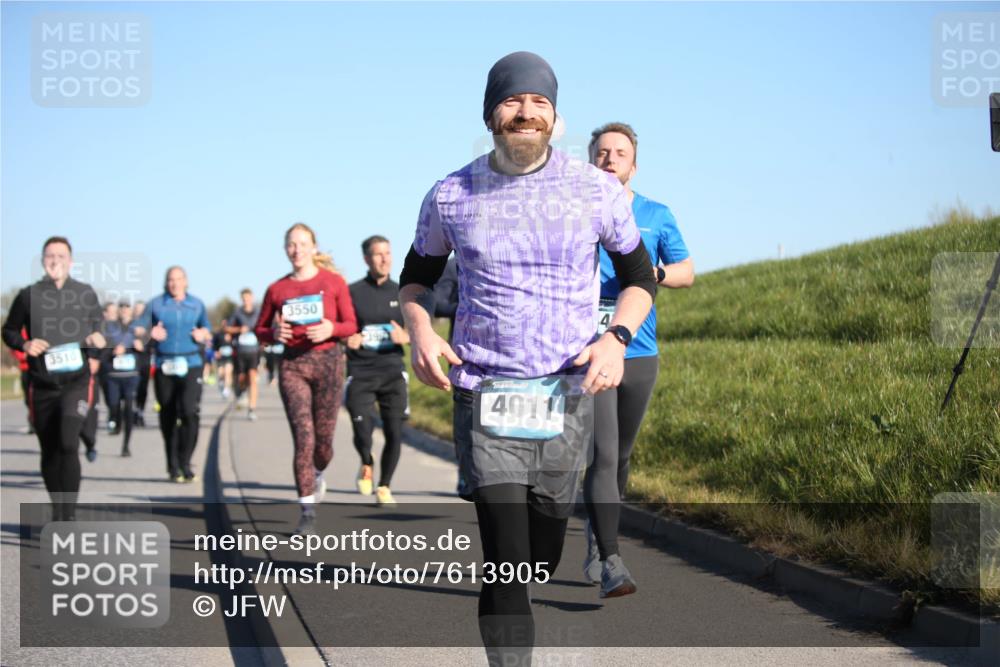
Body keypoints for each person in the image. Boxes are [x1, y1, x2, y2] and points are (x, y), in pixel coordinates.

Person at [398, 52, 655, 666]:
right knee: (507, 560)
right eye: (512, 100)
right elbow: (416, 281)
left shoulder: (595, 190)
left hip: (565, 392)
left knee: (541, 551)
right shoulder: (451, 194)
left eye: (539, 102)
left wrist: (616, 339)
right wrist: (421, 332)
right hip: (484, 388)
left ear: (555, 118)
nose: (525, 112)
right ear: (491, 114)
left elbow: (640, 279)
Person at [582, 122, 695, 596]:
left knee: (622, 455)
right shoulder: (574, 211)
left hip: (641, 351)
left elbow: (687, 271)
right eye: (602, 152)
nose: (610, 159)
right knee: (603, 453)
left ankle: (597, 534)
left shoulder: (656, 214)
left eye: (620, 153)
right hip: (591, 350)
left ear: (634, 165)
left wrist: (655, 273)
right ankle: (611, 559)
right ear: (591, 161)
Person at [255, 223, 357, 535]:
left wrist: (331, 329)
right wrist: (273, 333)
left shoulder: (333, 282)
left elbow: (350, 324)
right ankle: (307, 512)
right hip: (293, 365)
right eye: (291, 244)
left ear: (314, 247)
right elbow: (260, 330)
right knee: (304, 438)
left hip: (328, 363)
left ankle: (318, 473)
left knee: (323, 445)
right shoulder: (277, 289)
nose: (296, 249)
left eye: (302, 243)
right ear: (285, 249)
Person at [2, 236, 106, 521]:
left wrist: (97, 343)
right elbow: (9, 330)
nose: (55, 260)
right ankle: (58, 508)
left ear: (70, 261)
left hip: (76, 382)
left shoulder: (84, 293)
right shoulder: (28, 295)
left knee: (69, 443)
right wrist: (24, 344)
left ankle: (67, 515)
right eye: (50, 255)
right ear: (42, 260)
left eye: (61, 256)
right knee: (49, 450)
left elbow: (99, 329)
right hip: (42, 385)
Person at [344, 235, 410, 506]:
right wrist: (348, 337)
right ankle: (366, 460)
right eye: (378, 254)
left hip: (392, 370)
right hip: (361, 370)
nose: (384, 259)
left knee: (395, 432)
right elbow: (342, 327)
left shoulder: (403, 291)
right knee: (362, 429)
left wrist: (406, 336)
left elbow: (418, 330)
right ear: (366, 259)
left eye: (388, 253)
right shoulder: (352, 292)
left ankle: (384, 486)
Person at [132, 266, 212, 482]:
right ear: (166, 282)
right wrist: (149, 332)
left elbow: (207, 328)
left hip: (191, 362)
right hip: (164, 364)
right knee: (167, 414)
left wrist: (202, 333)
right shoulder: (156, 304)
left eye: (178, 279)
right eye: (170, 279)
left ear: (185, 281)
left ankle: (185, 462)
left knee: (189, 411)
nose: (174, 283)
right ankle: (173, 464)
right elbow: (136, 327)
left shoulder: (196, 304)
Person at [100, 300, 142, 456]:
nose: (124, 311)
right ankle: (115, 420)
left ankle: (126, 445)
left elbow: (147, 347)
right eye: (122, 309)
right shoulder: (110, 327)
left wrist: (139, 346)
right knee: (113, 404)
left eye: (127, 309)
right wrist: (112, 349)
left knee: (129, 408)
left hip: (131, 375)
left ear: (131, 312)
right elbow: (102, 346)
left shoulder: (137, 328)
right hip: (113, 375)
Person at [227, 288, 262, 420]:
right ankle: (241, 392)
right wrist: (239, 329)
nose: (246, 300)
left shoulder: (258, 312)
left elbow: (265, 326)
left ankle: (252, 409)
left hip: (254, 350)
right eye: (244, 298)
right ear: (242, 299)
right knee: (241, 378)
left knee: (253, 378)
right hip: (241, 350)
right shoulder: (237, 312)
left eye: (248, 298)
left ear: (252, 297)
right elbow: (227, 328)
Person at [132, 300, 152, 427]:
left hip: (144, 361)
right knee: (131, 389)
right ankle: (129, 412)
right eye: (137, 309)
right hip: (130, 363)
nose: (139, 312)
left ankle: (140, 412)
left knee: (142, 389)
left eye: (142, 310)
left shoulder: (150, 327)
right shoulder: (127, 325)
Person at [213, 326, 234, 398]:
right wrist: (216, 352)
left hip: (229, 356)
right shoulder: (218, 334)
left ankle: (227, 388)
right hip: (220, 356)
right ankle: (221, 383)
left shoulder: (232, 334)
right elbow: (214, 344)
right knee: (221, 373)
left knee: (228, 372)